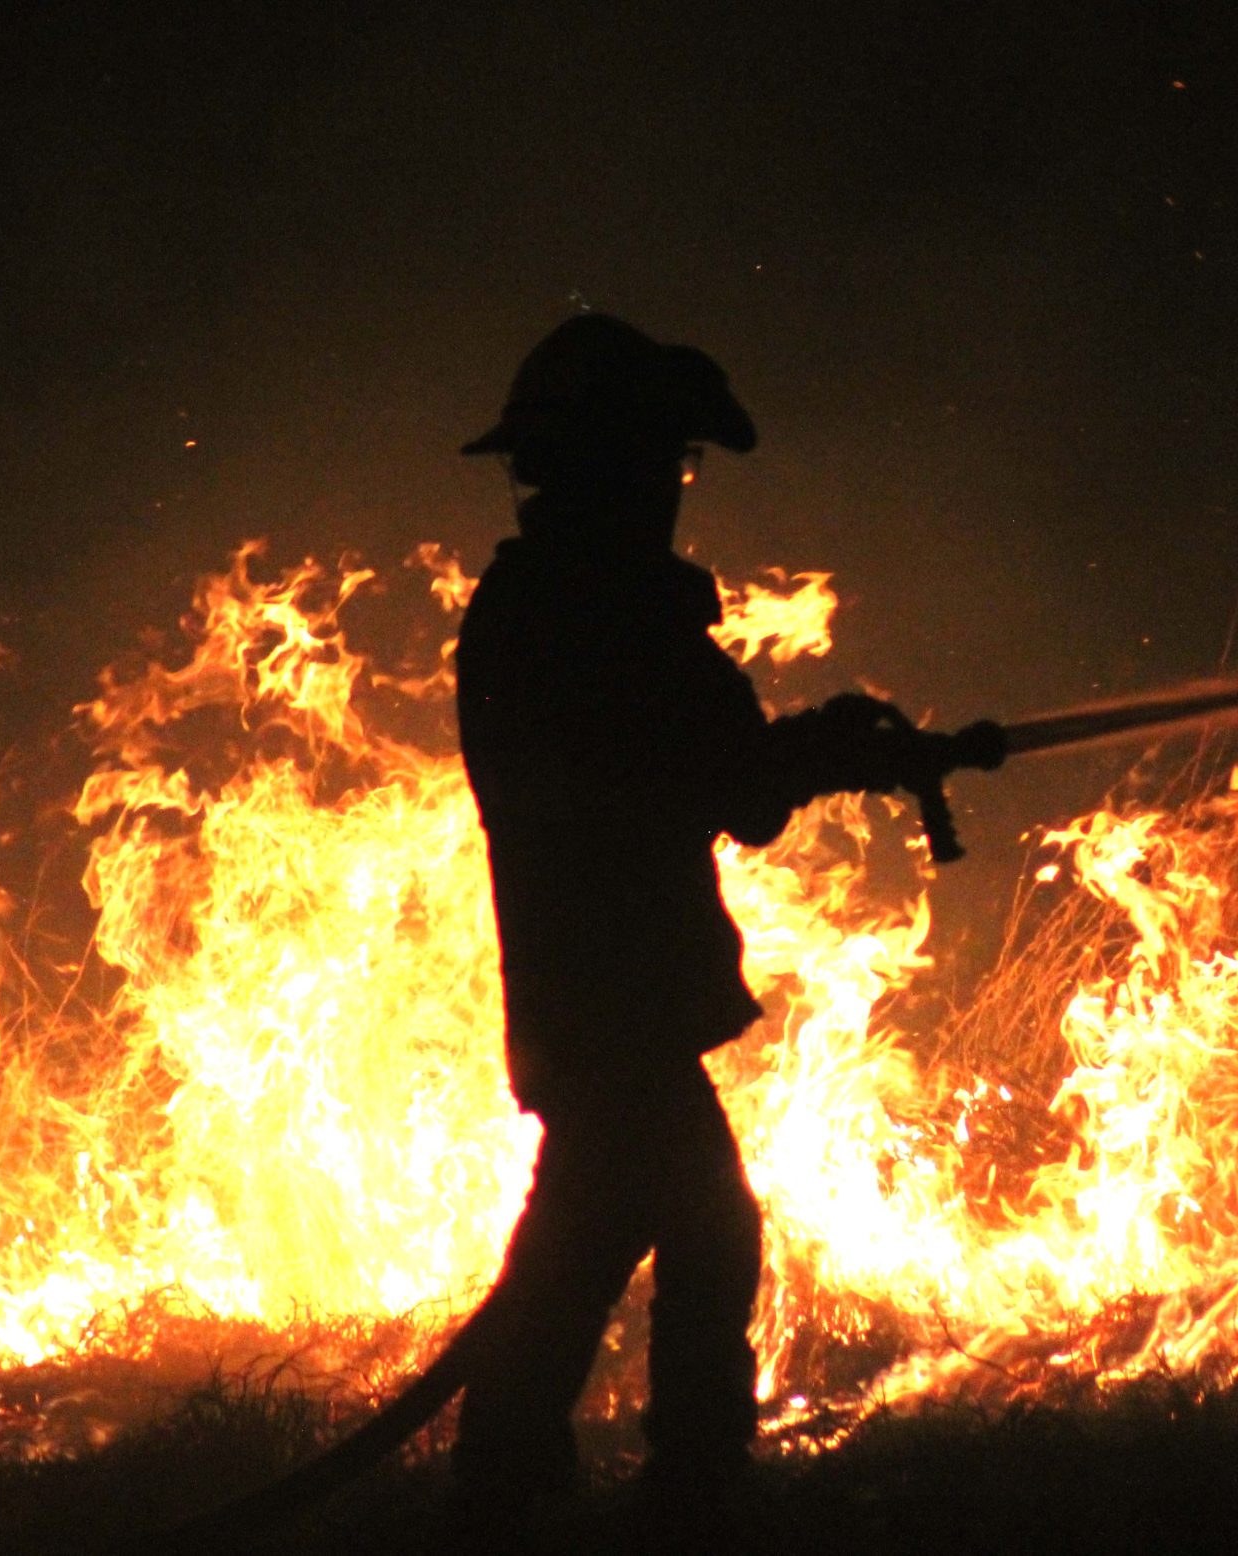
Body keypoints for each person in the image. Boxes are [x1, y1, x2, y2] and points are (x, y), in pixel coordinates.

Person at [447, 313, 958, 1536]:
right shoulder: (599, 613)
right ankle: (680, 1495)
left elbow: (701, 768)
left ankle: (521, 1483)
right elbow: (726, 783)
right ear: (610, 465)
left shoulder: (545, 606)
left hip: (586, 1003)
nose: (673, 492)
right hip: (611, 1004)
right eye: (665, 462)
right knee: (694, 1230)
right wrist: (835, 749)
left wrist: (825, 748)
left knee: (592, 1241)